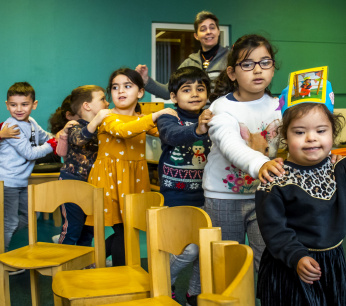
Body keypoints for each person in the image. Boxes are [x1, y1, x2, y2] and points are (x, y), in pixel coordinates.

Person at [256, 82, 346, 305]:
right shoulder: (274, 180)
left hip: (332, 262)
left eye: (321, 131)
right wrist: (297, 256)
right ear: (285, 135)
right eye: (299, 132)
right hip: (291, 263)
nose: (311, 138)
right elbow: (274, 230)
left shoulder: (339, 168)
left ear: (333, 133)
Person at [202, 34, 286, 272]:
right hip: (224, 198)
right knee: (227, 261)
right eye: (247, 64)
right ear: (232, 73)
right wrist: (260, 164)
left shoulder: (279, 106)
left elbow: (294, 141)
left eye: (265, 62)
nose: (257, 70)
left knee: (268, 259)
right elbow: (231, 144)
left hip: (264, 194)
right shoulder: (222, 107)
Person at [86, 68, 178, 266]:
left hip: (133, 179)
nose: (121, 91)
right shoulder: (107, 116)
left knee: (127, 229)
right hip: (110, 180)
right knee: (123, 230)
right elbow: (123, 130)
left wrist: (192, 126)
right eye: (115, 87)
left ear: (140, 92)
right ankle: (122, 276)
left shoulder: (140, 120)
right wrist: (156, 114)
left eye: (128, 86)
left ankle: (95, 259)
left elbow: (167, 134)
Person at [156, 66, 212, 306]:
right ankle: (162, 281)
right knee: (185, 250)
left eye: (200, 88)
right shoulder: (168, 116)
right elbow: (172, 135)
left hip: (205, 196)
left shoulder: (213, 117)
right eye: (186, 89)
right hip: (175, 197)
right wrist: (198, 129)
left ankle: (193, 293)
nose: (195, 94)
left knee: (204, 250)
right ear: (173, 96)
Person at [0, 82, 55, 253]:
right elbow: (29, 153)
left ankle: (3, 235)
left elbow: (44, 137)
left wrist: (57, 137)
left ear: (34, 104)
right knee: (10, 222)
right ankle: (3, 260)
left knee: (32, 216)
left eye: (24, 104)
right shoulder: (12, 127)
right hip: (7, 181)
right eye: (13, 104)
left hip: (22, 180)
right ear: (7, 105)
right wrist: (53, 144)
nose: (19, 109)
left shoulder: (31, 122)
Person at [57, 85, 110, 246]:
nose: (107, 103)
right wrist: (98, 119)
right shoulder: (74, 125)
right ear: (87, 106)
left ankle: (83, 265)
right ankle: (63, 265)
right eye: (102, 99)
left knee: (88, 230)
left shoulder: (102, 127)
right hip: (71, 184)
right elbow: (79, 139)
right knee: (72, 229)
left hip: (92, 185)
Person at [136, 11, 228, 100]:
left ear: (218, 31)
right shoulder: (189, 62)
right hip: (194, 115)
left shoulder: (230, 58)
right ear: (196, 36)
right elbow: (167, 92)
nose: (208, 32)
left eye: (212, 28)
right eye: (203, 29)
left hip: (222, 114)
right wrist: (145, 80)